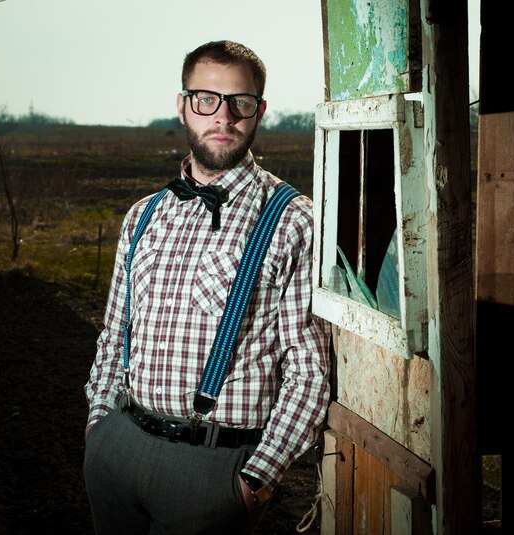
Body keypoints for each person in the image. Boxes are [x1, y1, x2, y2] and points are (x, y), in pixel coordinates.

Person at [83, 40, 331, 535]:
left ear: (259, 111)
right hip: (117, 449)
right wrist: (99, 426)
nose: (223, 117)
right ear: (183, 106)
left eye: (240, 103)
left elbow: (309, 372)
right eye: (206, 100)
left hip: (214, 469)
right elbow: (114, 335)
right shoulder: (144, 214)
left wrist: (256, 479)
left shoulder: (292, 220)